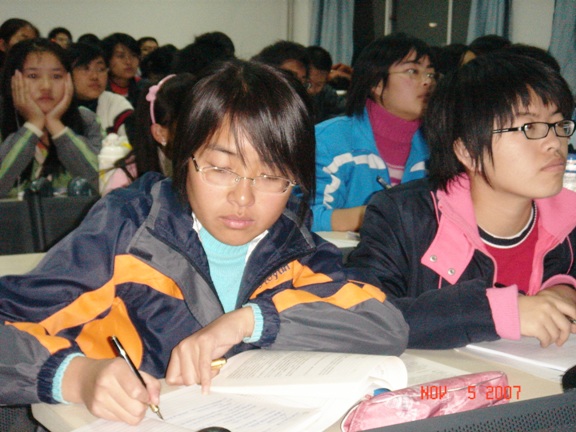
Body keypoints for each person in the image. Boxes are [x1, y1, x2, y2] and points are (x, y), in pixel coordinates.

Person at [0, 59, 408, 424]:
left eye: (271, 176)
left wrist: (249, 321)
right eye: (220, 169)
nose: (243, 198)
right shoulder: (128, 232)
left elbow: (383, 323)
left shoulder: (294, 246)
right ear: (184, 158)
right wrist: (77, 376)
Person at [347, 51, 576, 349]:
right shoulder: (403, 216)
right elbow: (363, 319)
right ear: (468, 151)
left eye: (559, 125)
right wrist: (496, 312)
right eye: (529, 128)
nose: (554, 143)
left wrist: (565, 289)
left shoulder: (569, 219)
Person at [312, 33, 435, 232]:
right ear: (376, 83)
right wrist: (379, 214)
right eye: (412, 71)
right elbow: (305, 217)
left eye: (430, 74)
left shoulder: (437, 146)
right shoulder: (328, 140)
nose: (426, 81)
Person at [0, 39, 103, 197]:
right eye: (33, 76)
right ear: (12, 80)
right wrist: (33, 126)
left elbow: (102, 183)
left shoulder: (87, 120)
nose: (46, 86)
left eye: (56, 76)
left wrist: (57, 127)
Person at [69, 42, 134, 137]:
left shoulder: (115, 103)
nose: (94, 76)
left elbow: (133, 141)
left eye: (100, 69)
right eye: (85, 69)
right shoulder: (54, 103)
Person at [306, 45, 346, 123]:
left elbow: (348, 111)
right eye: (307, 83)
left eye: (318, 85)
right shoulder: (291, 92)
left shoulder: (326, 92)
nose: (312, 90)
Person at [101, 33, 142, 106]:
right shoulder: (99, 88)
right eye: (121, 56)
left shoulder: (145, 87)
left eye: (133, 55)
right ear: (107, 59)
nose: (128, 62)